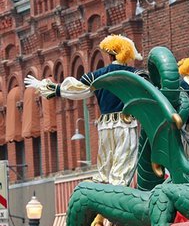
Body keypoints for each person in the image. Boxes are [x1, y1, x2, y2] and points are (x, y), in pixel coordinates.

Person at [26, 35, 143, 188]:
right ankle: (116, 198)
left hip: (105, 127)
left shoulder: (99, 75)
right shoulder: (137, 75)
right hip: (126, 126)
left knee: (105, 168)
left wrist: (48, 87)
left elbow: (75, 89)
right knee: (123, 167)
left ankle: (103, 195)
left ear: (109, 54)